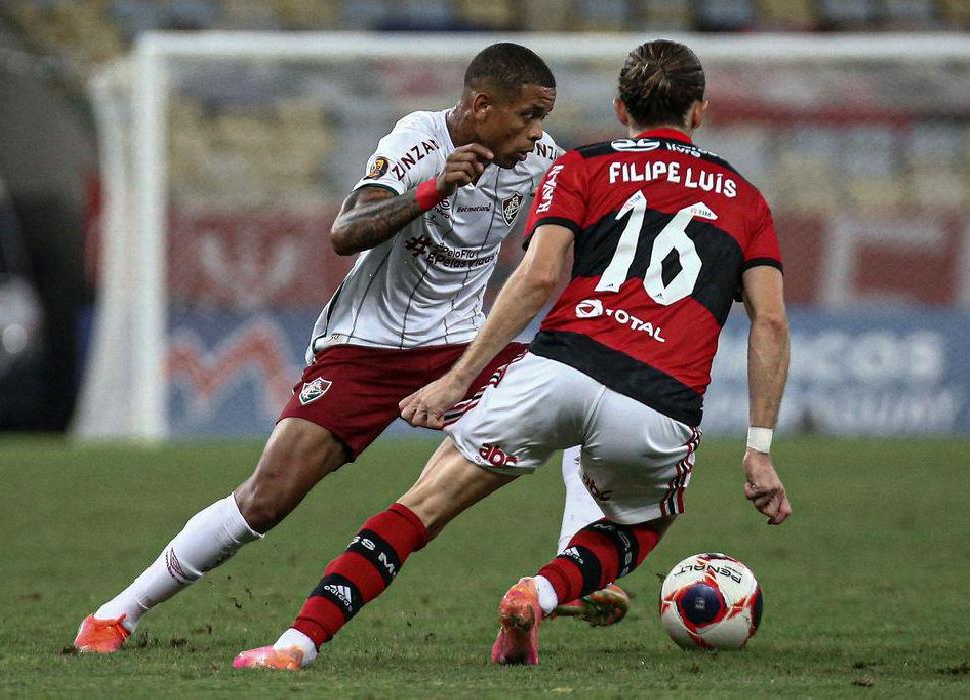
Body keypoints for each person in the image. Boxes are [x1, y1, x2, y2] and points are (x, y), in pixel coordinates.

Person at [232, 38, 793, 671]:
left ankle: (295, 644)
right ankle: (545, 589)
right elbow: (769, 322)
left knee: (419, 509)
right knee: (640, 527)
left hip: (557, 368)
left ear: (619, 109)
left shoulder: (582, 165)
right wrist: (759, 449)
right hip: (658, 398)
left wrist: (456, 380)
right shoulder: (746, 198)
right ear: (699, 112)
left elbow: (536, 277)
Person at [73, 43, 625, 654]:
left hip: (463, 348)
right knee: (267, 497)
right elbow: (344, 232)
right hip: (365, 348)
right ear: (482, 105)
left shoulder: (541, 161)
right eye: (528, 115)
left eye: (543, 118)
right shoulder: (417, 140)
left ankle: (574, 569)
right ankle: (117, 613)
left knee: (581, 396)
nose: (536, 132)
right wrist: (431, 190)